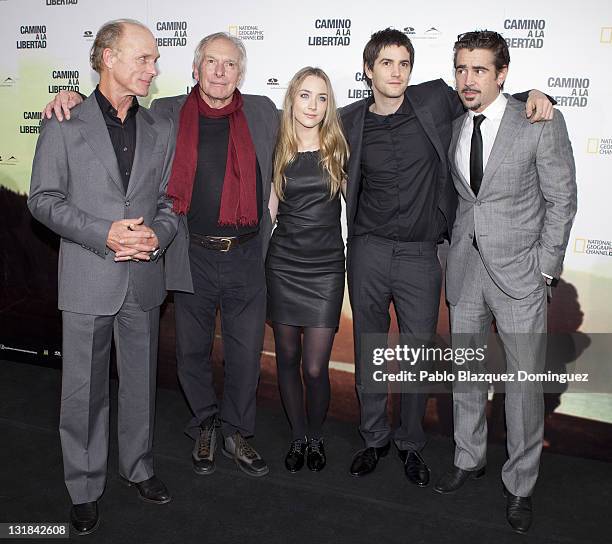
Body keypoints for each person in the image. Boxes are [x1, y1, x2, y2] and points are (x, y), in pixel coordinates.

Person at [44, 32, 279, 479]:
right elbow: (109, 113)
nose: (219, 72)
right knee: (191, 352)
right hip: (188, 254)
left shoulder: (264, 112)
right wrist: (70, 95)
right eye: (210, 62)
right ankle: (205, 423)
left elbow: (314, 122)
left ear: (241, 73)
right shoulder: (165, 113)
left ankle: (236, 430)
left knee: (246, 353)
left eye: (230, 64)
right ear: (195, 68)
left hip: (246, 255)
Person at [340, 28, 554, 486]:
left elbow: (488, 100)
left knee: (418, 354)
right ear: (368, 70)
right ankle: (373, 437)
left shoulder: (436, 100)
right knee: (369, 348)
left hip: (422, 254)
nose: (396, 72)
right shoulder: (347, 119)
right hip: (368, 251)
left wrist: (537, 94)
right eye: (386, 63)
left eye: (404, 64)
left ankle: (411, 444)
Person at [28, 19, 178, 535]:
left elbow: (168, 203)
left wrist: (155, 235)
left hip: (142, 276)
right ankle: (84, 487)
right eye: (144, 59)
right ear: (108, 57)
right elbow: (42, 200)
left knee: (139, 385)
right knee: (83, 391)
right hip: (89, 276)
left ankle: (138, 468)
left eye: (155, 60)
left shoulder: (160, 127)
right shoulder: (64, 120)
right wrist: (104, 233)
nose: (153, 69)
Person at [433, 31, 577, 534]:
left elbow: (563, 199)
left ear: (502, 74)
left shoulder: (537, 121)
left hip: (521, 275)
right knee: (467, 374)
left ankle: (520, 486)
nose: (468, 80)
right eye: (461, 69)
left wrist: (545, 268)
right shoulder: (453, 123)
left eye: (479, 70)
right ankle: (468, 458)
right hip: (467, 271)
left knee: (521, 388)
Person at [266, 67, 349, 472]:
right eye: (305, 95)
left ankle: (316, 436)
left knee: (315, 367)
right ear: (292, 99)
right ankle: (298, 437)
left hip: (327, 269)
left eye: (321, 97)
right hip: (283, 265)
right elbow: (269, 213)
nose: (313, 105)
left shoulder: (340, 148)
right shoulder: (276, 146)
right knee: (286, 356)